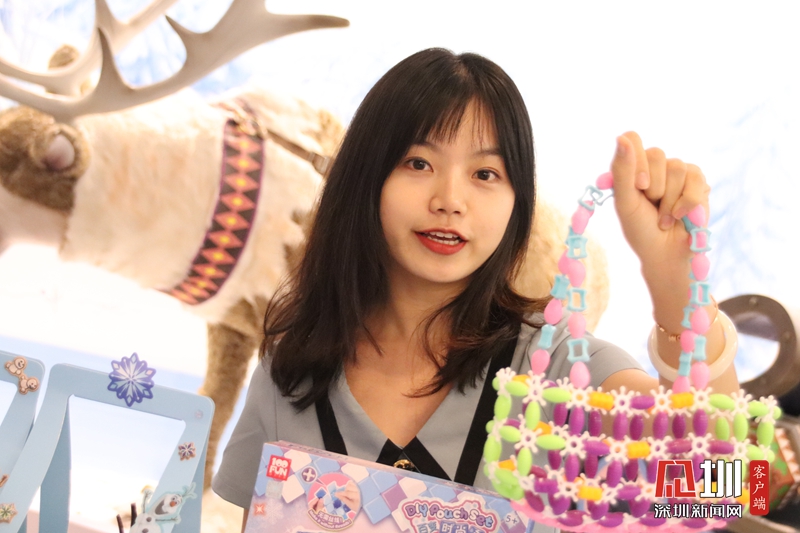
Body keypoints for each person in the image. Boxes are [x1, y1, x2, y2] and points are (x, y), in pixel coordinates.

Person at [212, 48, 739, 531]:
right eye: (418, 163)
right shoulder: (292, 368)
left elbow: (717, 495)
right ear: (365, 178)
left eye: (485, 173)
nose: (450, 199)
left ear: (517, 204)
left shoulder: (556, 369)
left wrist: (677, 289)